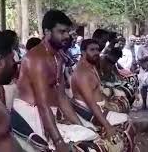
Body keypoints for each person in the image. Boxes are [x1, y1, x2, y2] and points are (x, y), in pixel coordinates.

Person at [13, 10, 99, 152]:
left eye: (68, 32)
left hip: (48, 114)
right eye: (61, 31)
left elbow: (62, 97)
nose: (66, 36)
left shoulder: (57, 57)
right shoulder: (37, 59)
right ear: (47, 32)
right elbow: (42, 104)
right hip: (31, 118)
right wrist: (58, 141)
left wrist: (79, 125)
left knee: (91, 133)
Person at [71, 39, 136, 151]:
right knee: (125, 122)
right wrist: (107, 126)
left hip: (99, 108)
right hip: (89, 113)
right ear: (83, 52)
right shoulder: (82, 73)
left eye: (97, 50)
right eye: (92, 50)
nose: (96, 52)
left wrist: (108, 105)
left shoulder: (91, 67)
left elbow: (98, 92)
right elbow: (91, 104)